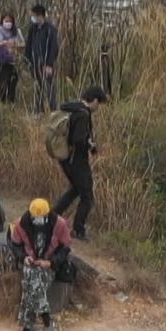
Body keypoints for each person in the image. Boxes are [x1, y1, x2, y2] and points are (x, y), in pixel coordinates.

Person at [9, 198, 72, 331]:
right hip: (31, 262)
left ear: (47, 215)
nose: (37, 221)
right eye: (34, 218)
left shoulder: (59, 224)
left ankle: (28, 328)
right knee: (31, 276)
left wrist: (50, 262)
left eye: (40, 218)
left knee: (30, 283)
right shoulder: (21, 224)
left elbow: (66, 248)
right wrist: (24, 257)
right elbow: (15, 245)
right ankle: (46, 319)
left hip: (49, 265)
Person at [53, 86, 109, 240]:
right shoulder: (83, 114)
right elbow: (78, 139)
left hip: (65, 159)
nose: (98, 107)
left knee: (75, 190)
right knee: (87, 196)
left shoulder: (72, 108)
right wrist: (89, 144)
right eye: (100, 104)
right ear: (95, 100)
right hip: (76, 161)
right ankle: (78, 229)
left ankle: (52, 216)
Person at [25, 4, 61, 112]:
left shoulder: (50, 29)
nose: (34, 18)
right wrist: (27, 60)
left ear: (42, 16)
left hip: (46, 64)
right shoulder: (33, 28)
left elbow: (54, 47)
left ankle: (53, 110)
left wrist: (49, 64)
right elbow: (29, 44)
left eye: (36, 15)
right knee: (37, 87)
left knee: (49, 88)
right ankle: (38, 110)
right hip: (34, 63)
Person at [0, 13, 24, 104]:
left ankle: (11, 103)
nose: (8, 23)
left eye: (10, 21)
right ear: (2, 21)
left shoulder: (16, 31)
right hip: (1, 63)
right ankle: (3, 104)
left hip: (13, 63)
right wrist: (3, 43)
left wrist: (15, 45)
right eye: (6, 21)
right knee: (3, 85)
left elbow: (23, 44)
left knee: (12, 84)